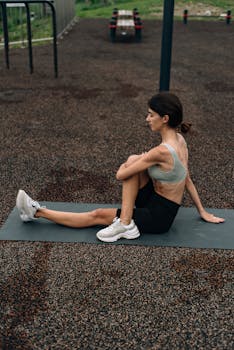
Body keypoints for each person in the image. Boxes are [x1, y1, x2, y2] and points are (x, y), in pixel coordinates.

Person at [16, 92, 224, 243]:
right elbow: (186, 178)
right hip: (156, 200)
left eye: (151, 114)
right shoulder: (179, 140)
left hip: (159, 217)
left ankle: (38, 212)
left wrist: (133, 161)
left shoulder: (161, 151)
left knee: (97, 215)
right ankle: (125, 220)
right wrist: (202, 211)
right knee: (134, 160)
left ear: (165, 118)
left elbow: (120, 174)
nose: (147, 119)